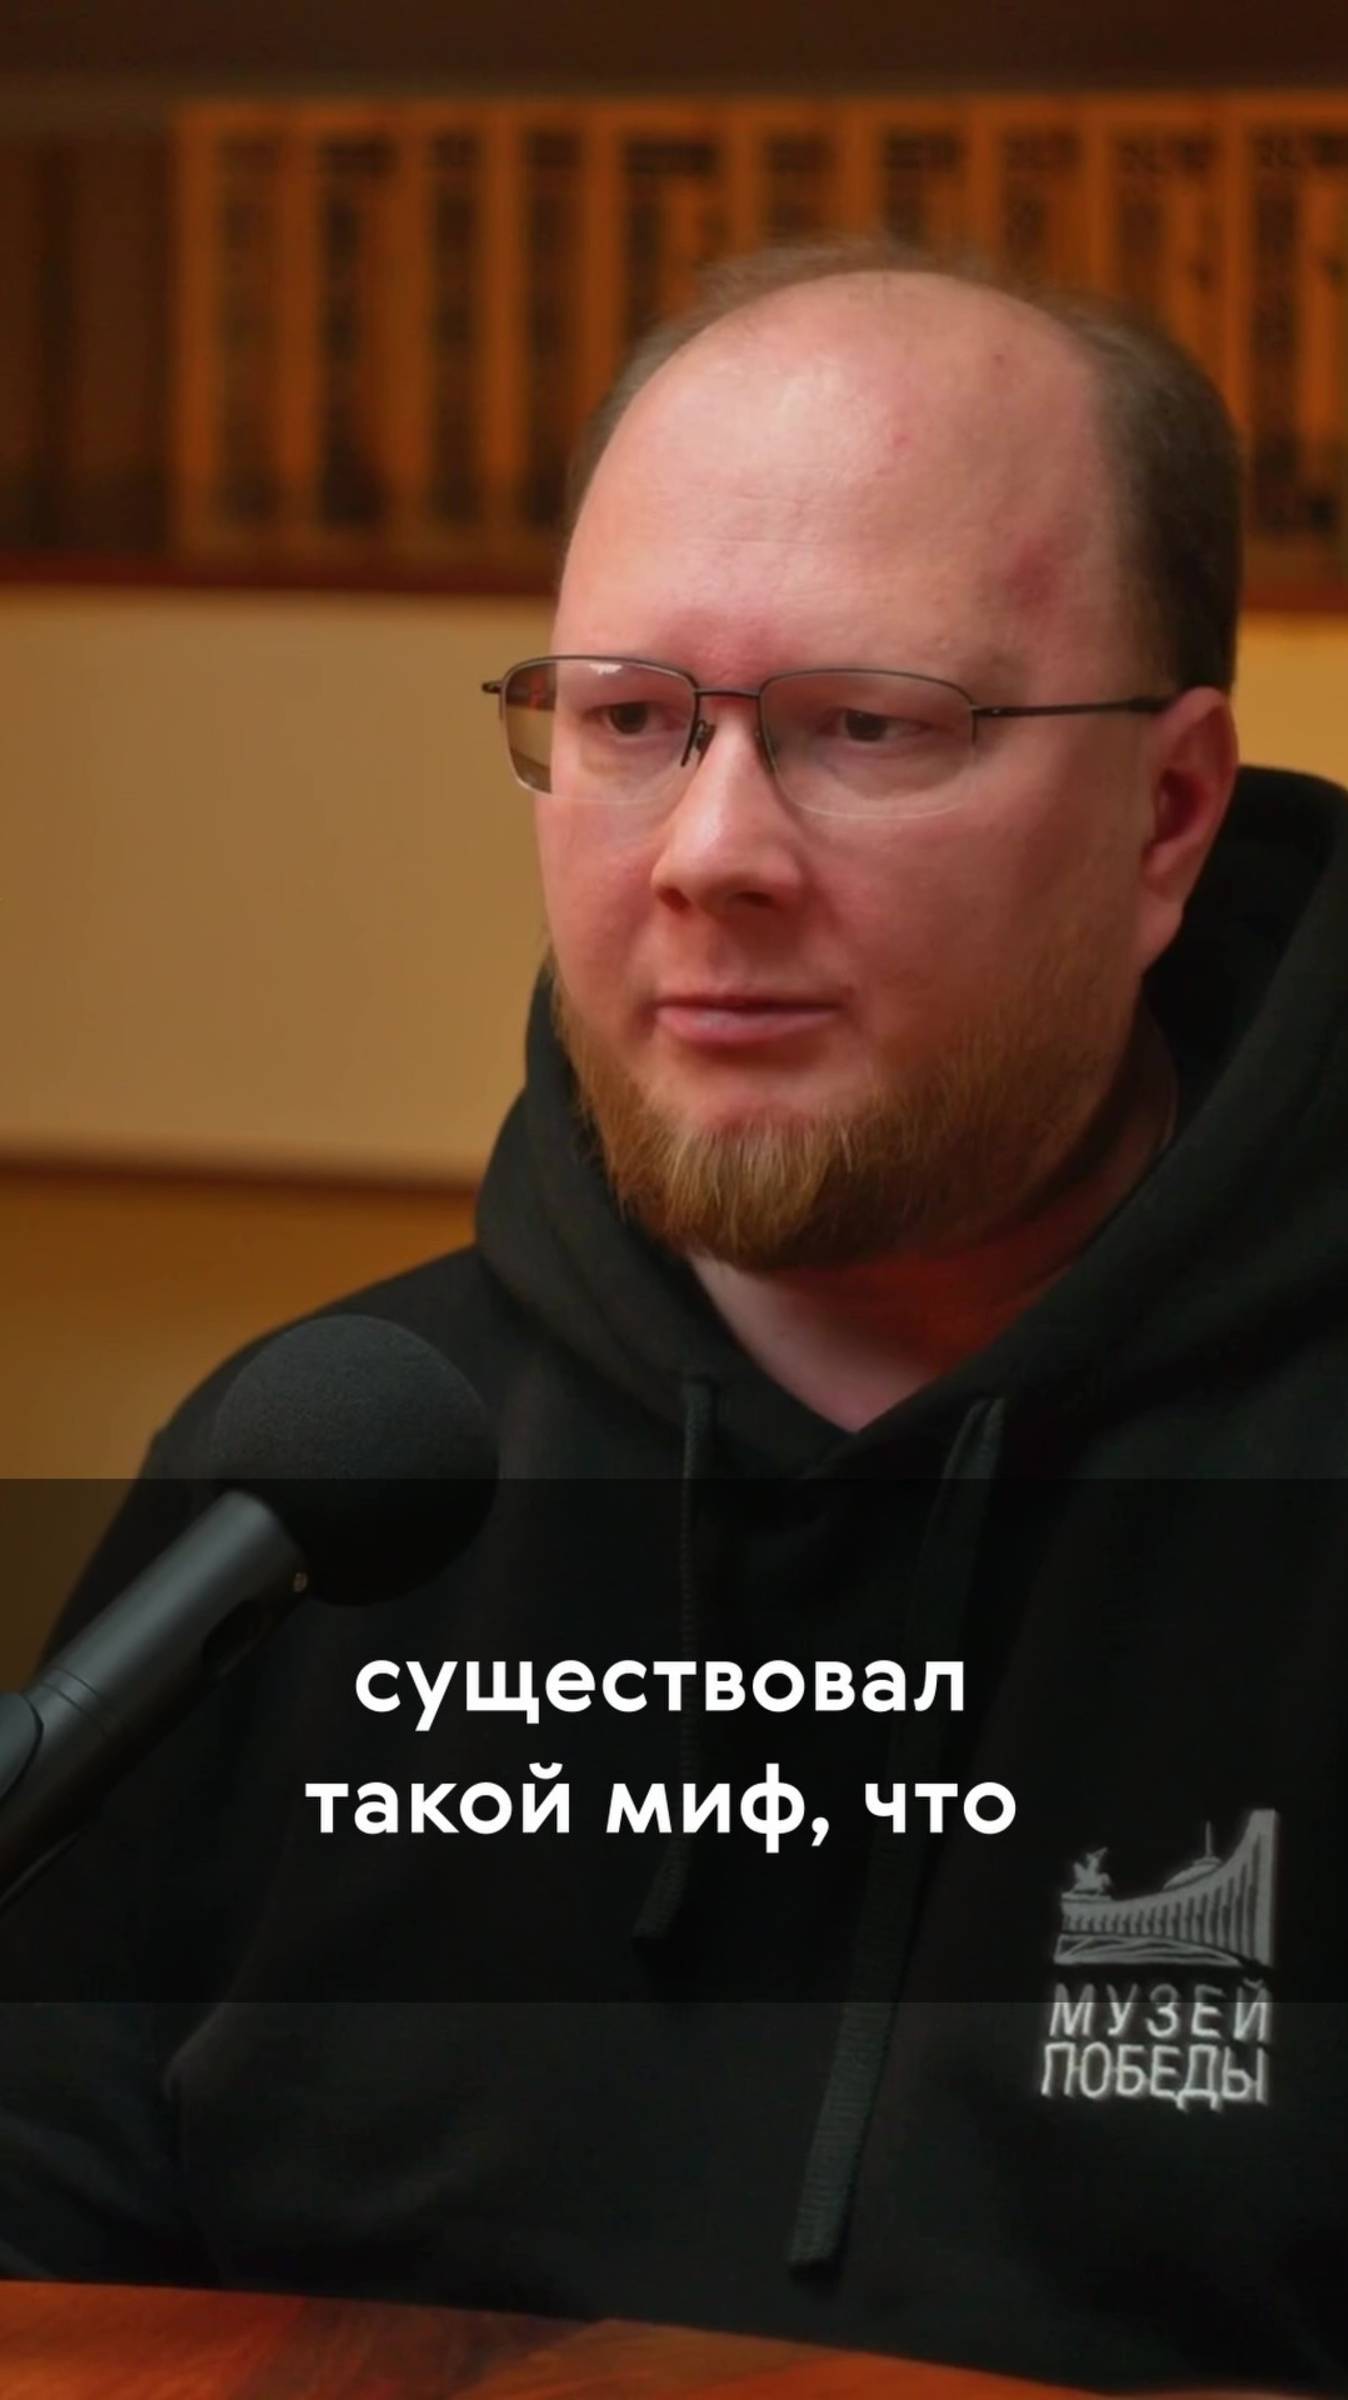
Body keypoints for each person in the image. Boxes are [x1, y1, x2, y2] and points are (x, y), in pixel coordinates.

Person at [2, 237, 1347, 2394]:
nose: (708, 853)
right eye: (630, 720)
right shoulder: (324, 1484)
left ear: (1164, 817)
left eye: (867, 725)